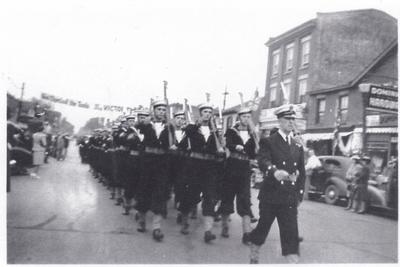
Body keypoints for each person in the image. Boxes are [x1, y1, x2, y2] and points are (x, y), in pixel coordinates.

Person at [249, 104, 305, 264]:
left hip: (289, 198)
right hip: (271, 195)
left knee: (291, 235)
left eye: (293, 119)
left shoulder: (297, 145)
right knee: (263, 228)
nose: (291, 122)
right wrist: (274, 171)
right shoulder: (269, 141)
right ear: (279, 121)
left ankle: (292, 261)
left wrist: (299, 194)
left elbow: (301, 172)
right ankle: (254, 249)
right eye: (288, 119)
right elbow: (262, 160)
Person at [178, 103, 225, 243]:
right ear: (200, 113)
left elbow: (220, 147)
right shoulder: (193, 128)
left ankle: (208, 231)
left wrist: (221, 148)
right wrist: (195, 124)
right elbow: (185, 136)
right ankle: (185, 222)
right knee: (190, 196)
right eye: (205, 111)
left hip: (210, 167)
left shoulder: (215, 131)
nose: (207, 114)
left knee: (210, 197)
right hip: (194, 166)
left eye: (210, 112)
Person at [218, 107, 256, 245]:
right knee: (227, 198)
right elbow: (228, 143)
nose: (246, 119)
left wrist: (256, 149)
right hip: (232, 167)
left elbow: (254, 152)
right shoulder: (232, 131)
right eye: (244, 116)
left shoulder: (252, 134)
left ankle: (246, 234)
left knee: (245, 201)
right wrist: (235, 147)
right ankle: (225, 226)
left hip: (244, 170)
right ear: (239, 118)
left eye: (248, 117)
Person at [135, 100, 170, 242]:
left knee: (160, 194)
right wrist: (146, 122)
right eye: (159, 109)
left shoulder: (169, 127)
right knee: (144, 193)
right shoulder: (146, 125)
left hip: (162, 164)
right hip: (147, 163)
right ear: (154, 111)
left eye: (163, 110)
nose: (161, 112)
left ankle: (156, 227)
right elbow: (138, 127)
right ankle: (142, 220)